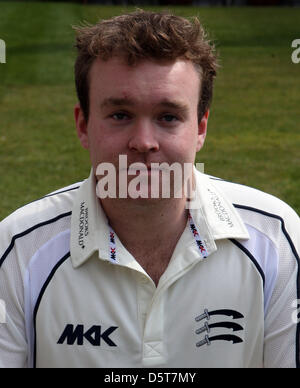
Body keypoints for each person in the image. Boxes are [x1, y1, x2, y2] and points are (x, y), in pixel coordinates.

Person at [0, 10, 299, 369]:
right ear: (83, 125)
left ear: (201, 127)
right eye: (121, 115)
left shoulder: (276, 239)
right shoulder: (18, 249)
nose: (144, 142)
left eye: (168, 117)